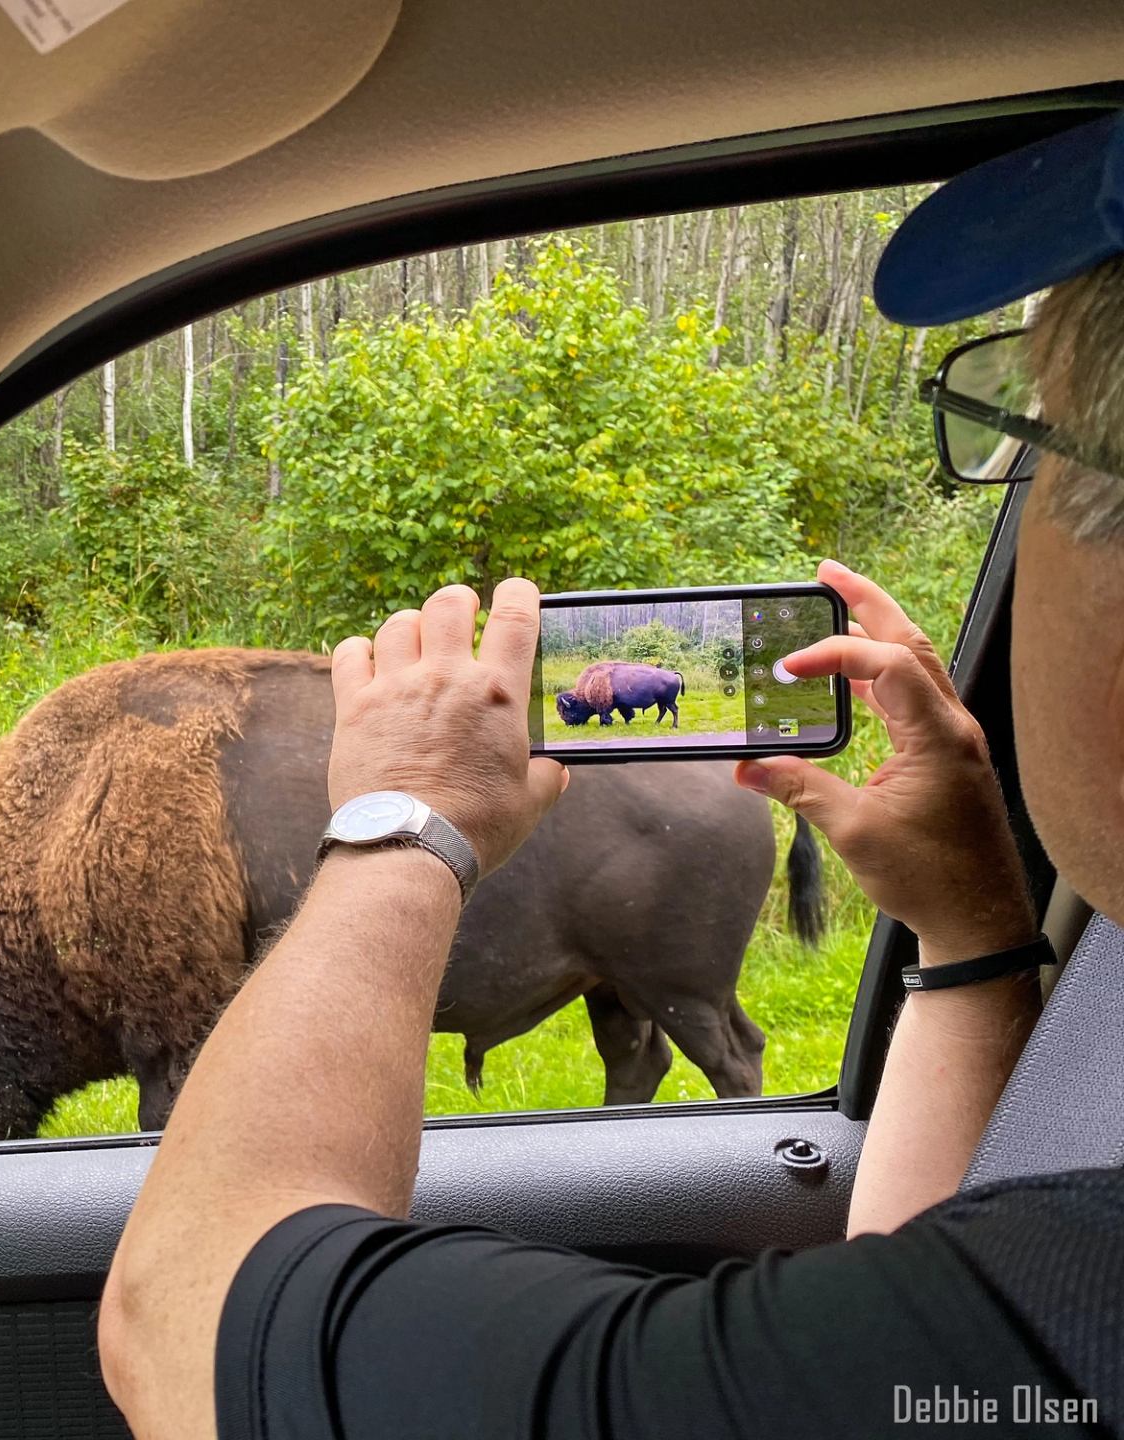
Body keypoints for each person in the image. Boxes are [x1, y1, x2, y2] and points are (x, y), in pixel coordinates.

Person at [99, 110, 1124, 1439]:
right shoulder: (1026, 1320)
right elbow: (935, 1298)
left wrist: (400, 824)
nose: (1017, 489)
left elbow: (180, 1321)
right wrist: (977, 932)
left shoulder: (1063, 1327)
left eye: (1029, 439)